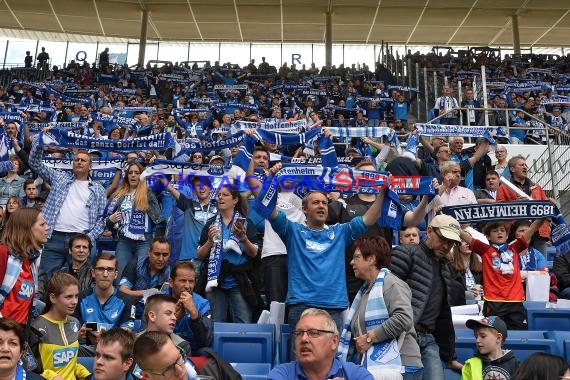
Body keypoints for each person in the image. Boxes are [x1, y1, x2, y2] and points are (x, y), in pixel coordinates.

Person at [338, 236, 423, 379]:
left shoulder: (392, 283)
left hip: (403, 366)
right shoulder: (365, 291)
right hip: (376, 367)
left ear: (371, 259)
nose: (351, 262)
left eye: (356, 257)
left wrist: (370, 338)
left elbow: (404, 318)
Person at [390, 214, 463, 378]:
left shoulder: (445, 268)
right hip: (403, 336)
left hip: (428, 339)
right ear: (429, 231)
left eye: (451, 242)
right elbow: (384, 293)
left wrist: (449, 356)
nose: (446, 245)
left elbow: (443, 316)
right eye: (443, 238)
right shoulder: (406, 253)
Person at [29, 140, 107, 278]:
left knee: (81, 283)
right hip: (54, 237)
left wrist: (88, 238)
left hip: (81, 241)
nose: (79, 162)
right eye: (76, 159)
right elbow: (35, 162)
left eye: (83, 160)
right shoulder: (60, 178)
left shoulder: (99, 189)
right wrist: (41, 142)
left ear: (90, 167)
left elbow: (102, 220)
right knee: (46, 281)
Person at [459, 219, 546, 330]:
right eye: (495, 231)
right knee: (493, 334)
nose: (499, 233)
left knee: (518, 335)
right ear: (488, 237)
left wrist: (543, 215)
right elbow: (467, 238)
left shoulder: (515, 247)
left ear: (507, 235)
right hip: (493, 302)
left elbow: (532, 229)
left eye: (502, 230)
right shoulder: (485, 249)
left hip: (515, 301)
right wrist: (451, 222)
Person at [196, 184, 260, 323]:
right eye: (219, 195)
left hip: (238, 282)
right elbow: (200, 255)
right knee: (215, 325)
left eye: (225, 195)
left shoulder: (245, 223)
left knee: (244, 326)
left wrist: (243, 239)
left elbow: (254, 253)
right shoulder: (210, 224)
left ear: (235, 200)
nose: (220, 197)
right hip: (215, 283)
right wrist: (209, 241)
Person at [268, 308, 374, 380]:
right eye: (299, 333)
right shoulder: (281, 374)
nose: (304, 339)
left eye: (313, 333)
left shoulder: (357, 375)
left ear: (334, 341)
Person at [107, 162, 165, 277]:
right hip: (124, 241)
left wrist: (157, 163)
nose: (133, 175)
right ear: (126, 176)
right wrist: (111, 220)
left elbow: (160, 221)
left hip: (144, 241)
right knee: (120, 276)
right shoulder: (119, 194)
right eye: (130, 173)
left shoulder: (149, 193)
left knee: (141, 276)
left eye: (137, 173)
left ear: (142, 176)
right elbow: (108, 222)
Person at [32, 272, 91, 380]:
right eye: (68, 297)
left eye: (76, 296)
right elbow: (30, 366)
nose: (74, 302)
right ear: (53, 298)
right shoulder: (36, 326)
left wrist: (84, 374)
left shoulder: (75, 323)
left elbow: (71, 364)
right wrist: (52, 376)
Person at [0, 208, 48, 324]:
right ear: (26, 228)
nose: (47, 228)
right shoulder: (2, 253)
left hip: (19, 335)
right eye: (42, 224)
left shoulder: (31, 262)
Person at [77, 252, 136, 346]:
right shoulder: (79, 298)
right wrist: (78, 335)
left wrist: (105, 339)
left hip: (113, 349)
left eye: (110, 270)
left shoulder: (127, 301)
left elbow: (125, 335)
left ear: (116, 274)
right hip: (84, 348)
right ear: (93, 272)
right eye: (101, 269)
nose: (105, 274)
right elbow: (71, 331)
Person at [496, 155, 550, 255]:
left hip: (538, 233)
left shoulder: (536, 187)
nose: (525, 167)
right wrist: (515, 203)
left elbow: (546, 208)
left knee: (541, 265)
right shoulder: (503, 187)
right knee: (518, 265)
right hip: (516, 232)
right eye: (521, 165)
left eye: (525, 165)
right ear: (512, 169)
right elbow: (499, 210)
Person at [165, 261, 212, 355]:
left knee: (207, 352)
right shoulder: (158, 300)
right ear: (171, 282)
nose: (187, 286)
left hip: (193, 350)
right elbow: (149, 335)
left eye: (191, 282)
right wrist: (174, 318)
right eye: (182, 281)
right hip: (164, 348)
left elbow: (206, 341)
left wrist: (194, 314)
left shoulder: (202, 304)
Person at [119, 237, 171, 319]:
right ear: (149, 252)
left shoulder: (170, 273)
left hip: (154, 316)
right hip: (130, 311)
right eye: (157, 254)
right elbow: (122, 291)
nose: (161, 259)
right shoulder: (136, 263)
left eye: (165, 255)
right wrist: (146, 293)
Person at [133, 331, 198, 380]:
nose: (180, 371)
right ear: (147, 376)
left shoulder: (199, 369)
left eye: (178, 359)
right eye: (169, 369)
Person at [449, 239, 483, 306]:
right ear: (457, 245)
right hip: (460, 306)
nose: (467, 243)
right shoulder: (450, 266)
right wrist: (465, 293)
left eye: (468, 241)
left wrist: (483, 291)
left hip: (478, 304)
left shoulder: (481, 266)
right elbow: (449, 289)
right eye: (463, 241)